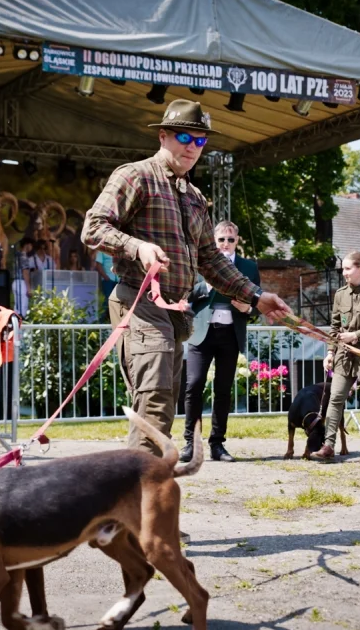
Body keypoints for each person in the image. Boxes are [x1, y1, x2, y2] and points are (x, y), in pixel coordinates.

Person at [81, 98, 290, 460]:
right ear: (163, 136)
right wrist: (137, 247)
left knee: (162, 404)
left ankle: (142, 489)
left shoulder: (195, 197)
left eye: (200, 141)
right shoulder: (136, 175)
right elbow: (93, 227)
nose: (192, 147)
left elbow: (212, 261)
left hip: (176, 313)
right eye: (184, 137)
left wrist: (257, 297)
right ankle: (139, 496)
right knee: (156, 401)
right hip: (139, 303)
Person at [182, 221, 259, 463]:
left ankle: (217, 444)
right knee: (194, 385)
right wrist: (206, 285)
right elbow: (186, 294)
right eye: (221, 240)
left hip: (230, 334)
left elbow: (258, 302)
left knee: (223, 390)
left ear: (237, 241)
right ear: (213, 242)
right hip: (201, 333)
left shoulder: (248, 266)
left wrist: (249, 308)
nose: (226, 244)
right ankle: (190, 443)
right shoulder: (199, 263)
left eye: (230, 239)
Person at [311, 252, 360, 462]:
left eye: (348, 269)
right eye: (343, 269)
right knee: (335, 398)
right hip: (344, 356)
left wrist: (356, 335)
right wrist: (329, 352)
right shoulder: (340, 294)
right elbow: (335, 327)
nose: (344, 273)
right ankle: (328, 446)